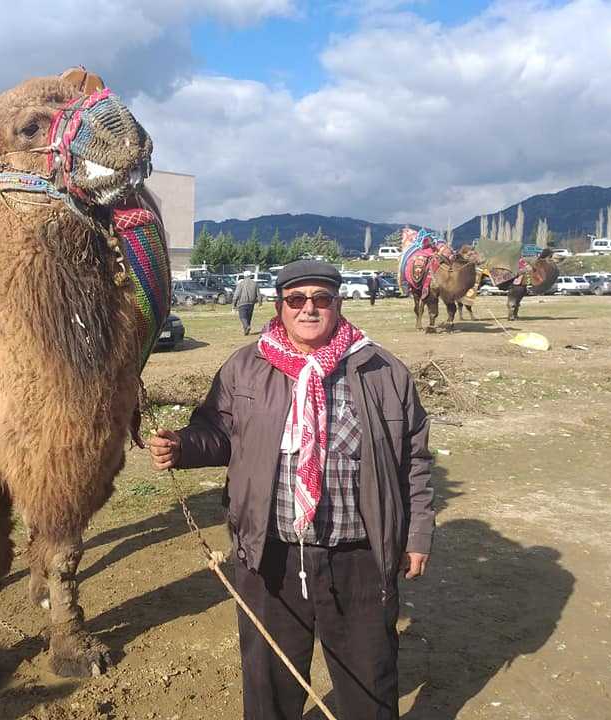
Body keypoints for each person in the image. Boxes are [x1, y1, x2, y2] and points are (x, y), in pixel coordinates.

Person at [149, 260, 434, 720]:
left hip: (359, 554)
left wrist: (418, 534)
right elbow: (217, 431)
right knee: (269, 684)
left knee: (370, 679)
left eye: (321, 299)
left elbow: (414, 461)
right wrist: (181, 446)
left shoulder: (383, 370)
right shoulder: (246, 366)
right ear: (279, 306)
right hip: (271, 553)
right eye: (296, 300)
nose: (308, 309)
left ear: (338, 304)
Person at [232, 271, 262, 335]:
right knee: (248, 317)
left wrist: (234, 303)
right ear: (251, 276)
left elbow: (236, 294)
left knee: (242, 317)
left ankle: (247, 326)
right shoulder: (255, 283)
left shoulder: (240, 284)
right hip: (251, 303)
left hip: (242, 303)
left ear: (244, 276)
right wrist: (260, 302)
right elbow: (258, 294)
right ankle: (246, 331)